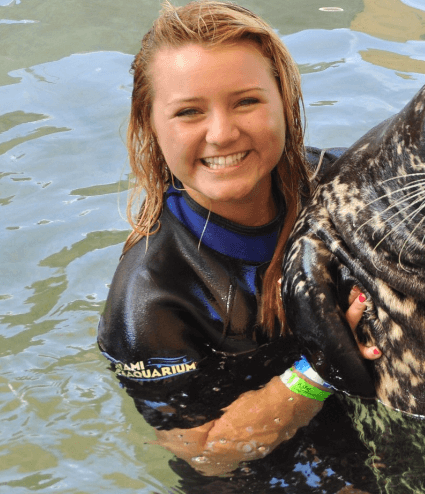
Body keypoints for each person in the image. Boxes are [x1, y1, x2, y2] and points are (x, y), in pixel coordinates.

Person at [97, 0, 380, 481]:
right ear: (150, 126)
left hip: (373, 419)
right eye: (189, 112)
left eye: (246, 101)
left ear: (284, 103)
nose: (223, 133)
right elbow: (208, 454)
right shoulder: (150, 294)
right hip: (264, 473)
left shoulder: (342, 187)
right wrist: (325, 366)